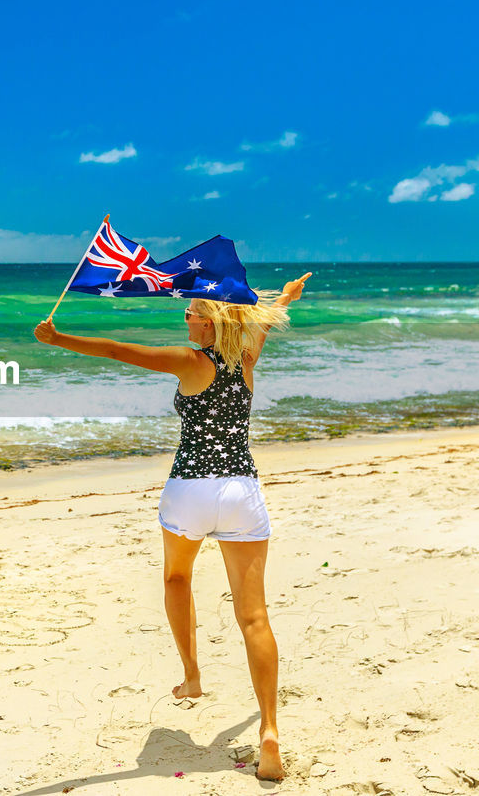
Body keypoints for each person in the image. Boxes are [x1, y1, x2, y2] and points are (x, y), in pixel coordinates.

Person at [33, 272, 312, 781]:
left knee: (177, 579)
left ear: (207, 322)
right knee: (254, 617)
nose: (184, 316)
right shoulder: (245, 359)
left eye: (189, 313)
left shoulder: (189, 362)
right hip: (242, 492)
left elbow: (119, 351)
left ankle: (191, 675)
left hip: (191, 490)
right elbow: (264, 322)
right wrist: (288, 296)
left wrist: (59, 339)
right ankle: (269, 728)